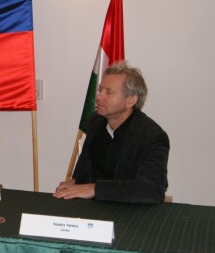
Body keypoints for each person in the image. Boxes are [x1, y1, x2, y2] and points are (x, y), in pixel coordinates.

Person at [54, 61, 169, 203]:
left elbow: (151, 190)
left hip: (131, 210)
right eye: (100, 90)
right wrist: (76, 182)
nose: (98, 97)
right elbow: (87, 167)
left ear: (131, 100)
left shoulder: (152, 136)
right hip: (95, 207)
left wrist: (95, 189)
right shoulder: (95, 121)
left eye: (108, 92)